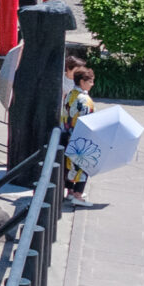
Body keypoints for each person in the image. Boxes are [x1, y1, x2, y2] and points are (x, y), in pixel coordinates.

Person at [61, 65, 96, 198]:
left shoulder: (71, 93)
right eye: (90, 81)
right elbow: (87, 121)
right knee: (83, 166)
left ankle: (70, 191)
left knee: (71, 166)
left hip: (68, 134)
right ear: (82, 81)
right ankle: (78, 194)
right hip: (81, 137)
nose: (92, 84)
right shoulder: (85, 100)